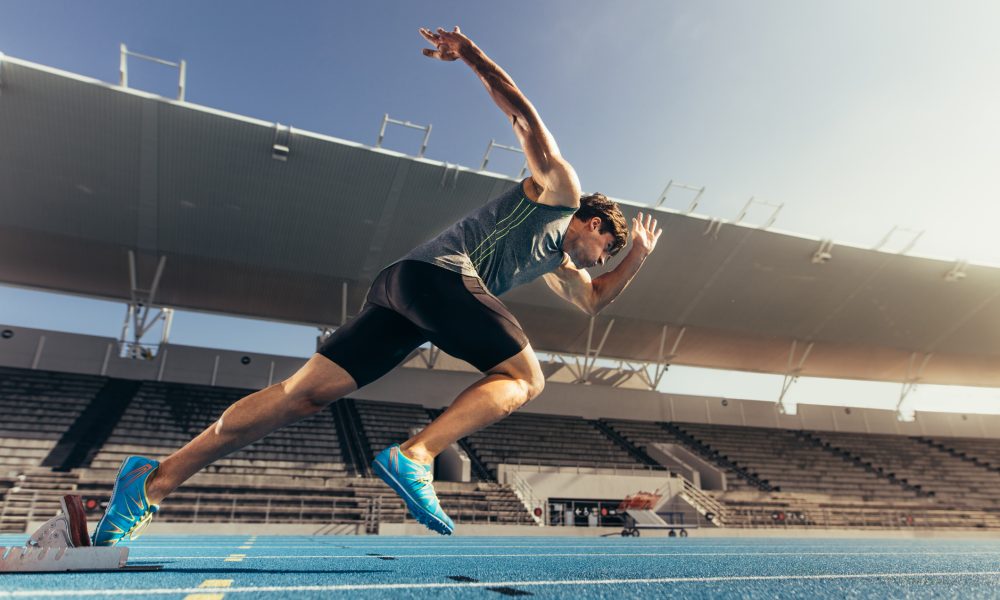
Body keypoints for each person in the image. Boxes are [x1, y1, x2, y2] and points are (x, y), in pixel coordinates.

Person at [92, 26, 661, 544]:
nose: (603, 256)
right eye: (609, 244)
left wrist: (635, 255)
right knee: (524, 378)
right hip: (438, 277)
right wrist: (471, 56)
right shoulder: (559, 192)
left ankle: (150, 484)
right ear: (594, 221)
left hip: (403, 294)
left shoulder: (559, 264)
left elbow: (595, 299)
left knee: (300, 396)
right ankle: (416, 455)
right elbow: (524, 117)